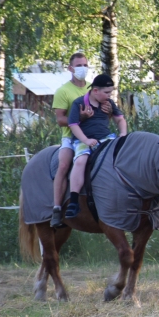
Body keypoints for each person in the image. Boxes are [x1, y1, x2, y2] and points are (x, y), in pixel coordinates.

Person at [65, 74, 127, 219]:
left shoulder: (109, 103)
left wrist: (123, 134)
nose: (109, 95)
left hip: (106, 137)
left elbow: (120, 120)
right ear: (95, 91)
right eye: (106, 92)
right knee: (81, 160)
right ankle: (73, 201)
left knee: (122, 155)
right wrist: (86, 140)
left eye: (110, 92)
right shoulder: (79, 103)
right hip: (83, 139)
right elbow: (73, 125)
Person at [50, 52, 100, 228]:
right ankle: (57, 209)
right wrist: (81, 117)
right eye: (79, 65)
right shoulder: (63, 91)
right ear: (70, 68)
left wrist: (108, 109)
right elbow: (60, 120)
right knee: (63, 165)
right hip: (70, 138)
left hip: (94, 135)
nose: (83, 68)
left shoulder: (93, 88)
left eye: (85, 65)